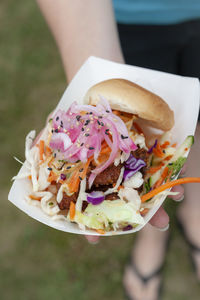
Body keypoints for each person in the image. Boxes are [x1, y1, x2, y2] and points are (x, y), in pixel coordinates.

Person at [36, 1, 200, 299]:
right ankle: (151, 236)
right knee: (160, 148)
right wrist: (91, 67)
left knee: (189, 125)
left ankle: (195, 210)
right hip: (127, 20)